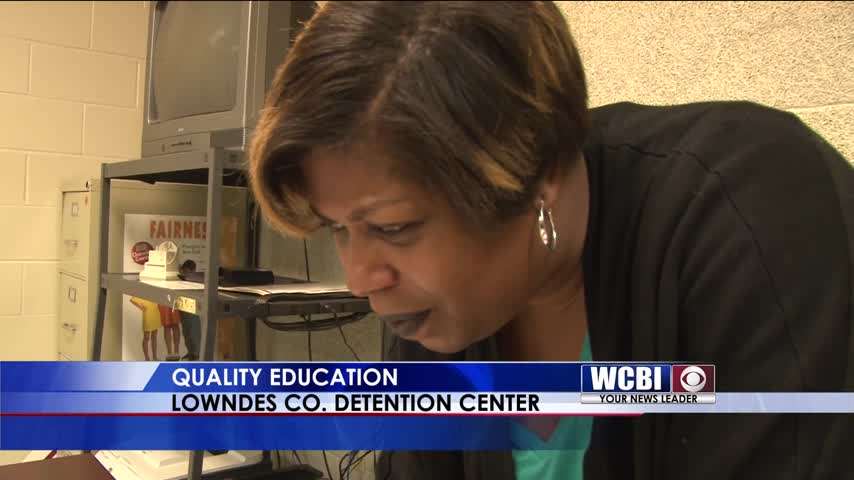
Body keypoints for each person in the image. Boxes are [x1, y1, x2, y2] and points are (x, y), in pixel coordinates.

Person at [247, 2, 853, 479]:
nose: (360, 279)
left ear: (538, 173)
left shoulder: (751, 210)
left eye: (394, 227)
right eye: (338, 228)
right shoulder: (436, 309)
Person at [129, 296, 160, 361]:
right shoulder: (143, 292)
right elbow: (132, 299)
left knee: (154, 336)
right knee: (146, 337)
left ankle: (155, 357)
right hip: (147, 313)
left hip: (156, 312)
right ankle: (146, 358)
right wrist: (140, 307)